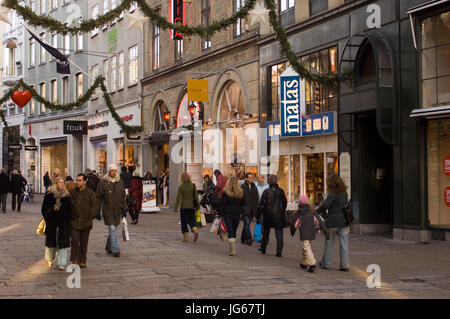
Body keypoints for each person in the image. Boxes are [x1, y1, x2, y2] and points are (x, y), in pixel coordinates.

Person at [317, 174, 351, 272]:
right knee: (344, 244)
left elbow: (325, 206)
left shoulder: (332, 193)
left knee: (329, 243)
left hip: (332, 222)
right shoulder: (344, 192)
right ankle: (345, 265)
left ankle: (326, 263)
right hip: (344, 221)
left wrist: (318, 210)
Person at [291, 195, 329, 273]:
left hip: (304, 233)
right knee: (306, 246)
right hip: (312, 232)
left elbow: (293, 223)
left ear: (300, 202)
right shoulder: (312, 211)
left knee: (306, 247)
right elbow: (320, 222)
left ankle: (312, 264)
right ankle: (304, 263)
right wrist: (326, 232)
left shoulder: (298, 212)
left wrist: (292, 231)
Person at [96, 165, 127, 257]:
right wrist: (97, 210)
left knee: (113, 229)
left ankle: (108, 247)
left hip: (117, 210)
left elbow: (123, 197)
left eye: (115, 171)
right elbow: (98, 197)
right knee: (112, 228)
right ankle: (115, 249)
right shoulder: (103, 182)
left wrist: (124, 209)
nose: (113, 172)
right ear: (108, 172)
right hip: (107, 209)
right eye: (111, 171)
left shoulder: (120, 182)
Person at [41, 177, 71, 270]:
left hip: (63, 223)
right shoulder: (49, 194)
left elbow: (70, 209)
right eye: (60, 182)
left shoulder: (66, 195)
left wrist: (66, 216)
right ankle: (50, 258)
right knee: (51, 242)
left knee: (63, 244)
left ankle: (61, 263)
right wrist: (48, 216)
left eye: (63, 182)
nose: (62, 184)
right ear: (56, 183)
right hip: (52, 222)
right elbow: (44, 208)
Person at [69, 174, 99, 268]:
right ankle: (74, 258)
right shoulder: (72, 192)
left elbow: (95, 206)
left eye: (80, 180)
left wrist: (90, 217)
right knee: (74, 240)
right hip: (74, 221)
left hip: (86, 222)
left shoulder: (90, 193)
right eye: (77, 180)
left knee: (83, 242)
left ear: (85, 181)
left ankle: (82, 260)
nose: (77, 182)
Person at [257, 174, 287, 257]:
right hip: (279, 215)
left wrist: (258, 214)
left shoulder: (266, 191)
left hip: (268, 214)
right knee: (279, 233)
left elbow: (262, 204)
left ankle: (263, 248)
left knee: (266, 232)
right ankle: (279, 251)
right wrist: (282, 210)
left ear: (269, 181)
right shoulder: (281, 191)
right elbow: (284, 202)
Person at [220, 177, 246, 256]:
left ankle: (232, 250)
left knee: (230, 230)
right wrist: (241, 211)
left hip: (228, 213)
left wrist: (220, 213)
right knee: (234, 230)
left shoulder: (226, 192)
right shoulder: (241, 192)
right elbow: (244, 203)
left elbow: (222, 204)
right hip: (237, 214)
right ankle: (232, 248)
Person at [174, 172, 200, 243]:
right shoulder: (193, 186)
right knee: (191, 220)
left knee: (184, 222)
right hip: (191, 206)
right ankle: (195, 229)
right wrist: (198, 205)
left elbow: (178, 198)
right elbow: (196, 197)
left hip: (183, 207)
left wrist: (175, 208)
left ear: (181, 178)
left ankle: (185, 238)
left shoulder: (181, 186)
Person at [240, 172, 259, 245]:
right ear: (246, 178)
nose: (251, 179)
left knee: (246, 225)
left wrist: (256, 207)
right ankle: (249, 238)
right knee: (247, 224)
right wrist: (242, 207)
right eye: (250, 178)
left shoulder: (254, 186)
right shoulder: (242, 187)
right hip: (245, 209)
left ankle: (243, 238)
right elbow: (240, 198)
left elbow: (256, 197)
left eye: (252, 178)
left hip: (252, 209)